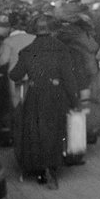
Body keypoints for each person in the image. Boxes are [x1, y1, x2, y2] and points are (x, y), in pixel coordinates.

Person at [10, 15, 80, 186]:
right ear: (54, 30)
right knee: (54, 132)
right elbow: (69, 79)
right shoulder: (62, 50)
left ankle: (40, 171)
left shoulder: (27, 50)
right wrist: (74, 101)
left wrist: (30, 76)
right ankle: (52, 169)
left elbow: (15, 74)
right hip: (56, 95)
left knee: (36, 133)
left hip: (35, 95)